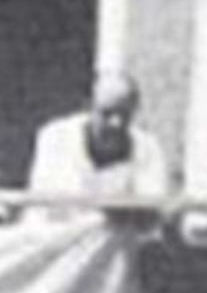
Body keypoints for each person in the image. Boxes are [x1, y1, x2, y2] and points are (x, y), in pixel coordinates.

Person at [27, 73, 170, 219]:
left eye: (124, 114)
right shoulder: (56, 138)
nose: (116, 123)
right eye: (107, 114)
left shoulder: (148, 149)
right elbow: (47, 203)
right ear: (89, 106)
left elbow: (151, 209)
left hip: (118, 232)